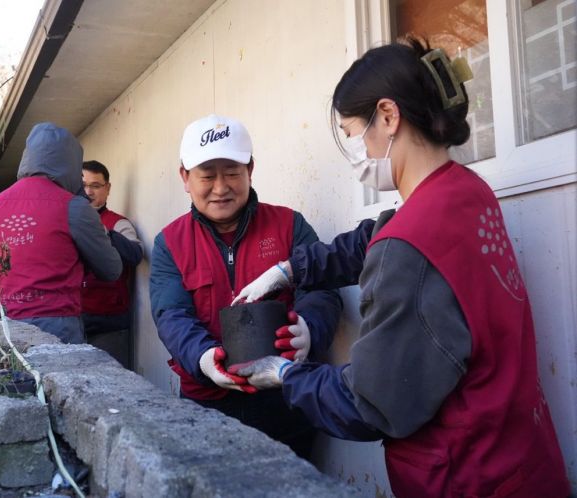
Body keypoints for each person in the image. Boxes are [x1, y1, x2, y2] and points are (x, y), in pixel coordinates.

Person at [231, 38, 569, 497]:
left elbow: (369, 403)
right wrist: (291, 270)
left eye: (351, 131)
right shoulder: (465, 191)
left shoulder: (407, 249)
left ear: (388, 117)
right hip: (522, 459)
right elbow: (377, 236)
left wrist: (287, 375)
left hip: (465, 477)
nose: (352, 147)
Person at [149, 113, 372, 459]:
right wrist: (204, 359)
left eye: (233, 174)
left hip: (284, 399)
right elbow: (171, 315)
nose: (220, 188)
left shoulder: (288, 224)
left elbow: (321, 292)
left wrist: (310, 330)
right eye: (207, 176)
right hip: (206, 407)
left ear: (250, 170)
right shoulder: (170, 243)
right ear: (185, 178)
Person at [0, 122, 122, 344]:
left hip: (6, 326)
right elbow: (111, 270)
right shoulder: (75, 207)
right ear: (71, 163)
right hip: (58, 329)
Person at [81, 160, 143, 369]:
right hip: (72, 322)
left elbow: (135, 254)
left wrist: (104, 231)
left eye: (95, 186)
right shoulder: (64, 221)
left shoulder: (118, 223)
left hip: (109, 325)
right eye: (83, 185)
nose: (88, 191)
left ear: (107, 189)